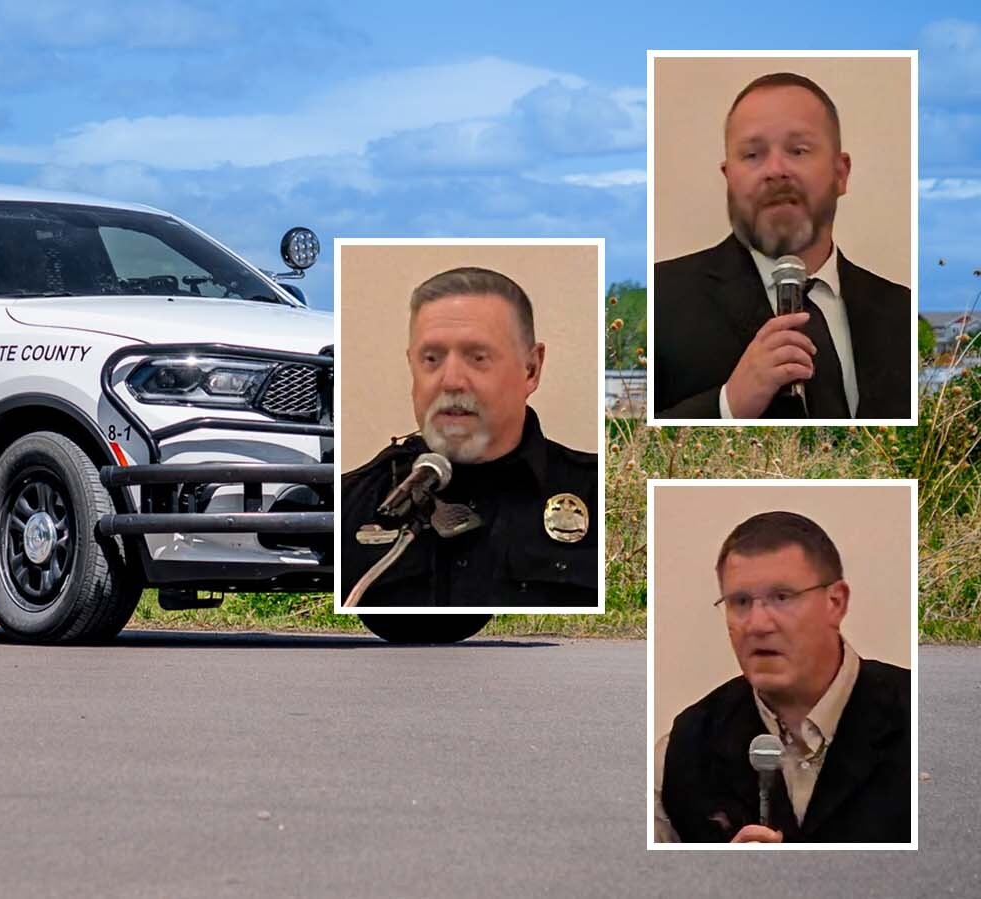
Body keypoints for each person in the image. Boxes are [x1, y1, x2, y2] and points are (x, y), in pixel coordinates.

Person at [653, 72, 910, 420]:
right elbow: (625, 455)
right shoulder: (660, 299)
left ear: (841, 173)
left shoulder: (902, 312)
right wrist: (729, 406)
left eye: (798, 150)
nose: (775, 170)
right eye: (752, 154)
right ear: (729, 178)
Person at [340, 266, 597, 608]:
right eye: (431, 359)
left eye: (478, 358)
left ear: (531, 369)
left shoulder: (596, 494)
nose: (451, 381)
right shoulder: (353, 503)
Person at [653, 511, 911, 843]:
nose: (758, 624)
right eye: (740, 601)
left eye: (782, 597)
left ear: (836, 602)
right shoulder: (683, 750)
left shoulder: (919, 717)